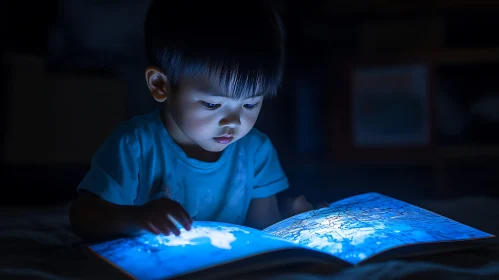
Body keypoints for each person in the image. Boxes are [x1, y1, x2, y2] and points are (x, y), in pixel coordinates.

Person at [69, 0, 319, 241]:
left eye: (250, 104)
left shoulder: (256, 151)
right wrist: (135, 219)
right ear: (160, 85)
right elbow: (83, 217)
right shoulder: (135, 146)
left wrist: (294, 218)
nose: (233, 121)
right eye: (212, 104)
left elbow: (262, 227)